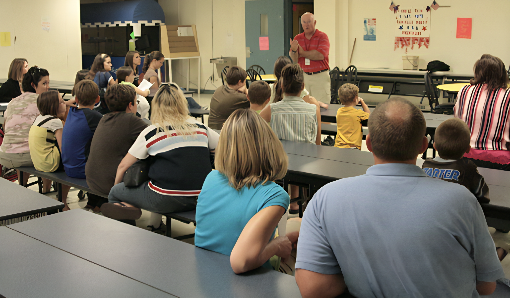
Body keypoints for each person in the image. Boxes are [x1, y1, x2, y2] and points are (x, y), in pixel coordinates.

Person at [295, 97, 505, 298]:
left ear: (368, 144)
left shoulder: (325, 198)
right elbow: (486, 286)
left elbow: (312, 288)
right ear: (424, 146)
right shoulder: (463, 201)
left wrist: (358, 273)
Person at [101, 83, 219, 232]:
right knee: (160, 177)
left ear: (156, 105)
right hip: (200, 198)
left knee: (116, 193)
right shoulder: (201, 127)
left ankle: (128, 227)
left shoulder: (152, 132)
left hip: (164, 199)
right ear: (182, 104)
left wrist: (117, 187)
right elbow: (222, 148)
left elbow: (123, 166)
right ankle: (155, 224)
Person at [195, 109, 297, 273]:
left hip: (204, 273)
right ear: (270, 144)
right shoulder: (275, 196)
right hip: (246, 283)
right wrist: (277, 246)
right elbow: (240, 262)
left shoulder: (211, 178)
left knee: (292, 228)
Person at [260, 63, 320, 214]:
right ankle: (301, 201)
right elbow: (318, 144)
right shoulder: (313, 109)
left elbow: (254, 128)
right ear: (303, 86)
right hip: (307, 164)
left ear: (281, 85)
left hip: (279, 164)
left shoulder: (272, 109)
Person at [86, 84, 148, 202]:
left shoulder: (104, 118)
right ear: (130, 105)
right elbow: (156, 135)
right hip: (110, 184)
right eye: (136, 103)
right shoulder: (131, 120)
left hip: (93, 180)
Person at [454, 54, 510, 171]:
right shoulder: (508, 95)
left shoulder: (464, 91)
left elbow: (457, 121)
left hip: (465, 155)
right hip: (500, 159)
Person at [0, 66, 51, 188]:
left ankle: (22, 186)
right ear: (33, 85)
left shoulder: (13, 101)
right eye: (44, 83)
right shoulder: (42, 101)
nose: (48, 87)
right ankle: (47, 190)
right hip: (28, 157)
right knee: (50, 146)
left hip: (5, 155)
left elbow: (5, 126)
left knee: (25, 143)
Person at [422, 118, 490, 204]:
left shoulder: (426, 165)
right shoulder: (468, 168)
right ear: (468, 149)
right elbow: (483, 195)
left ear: (434, 146)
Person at [61, 80, 103, 212]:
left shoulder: (71, 112)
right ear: (97, 99)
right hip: (81, 170)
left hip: (67, 167)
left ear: (76, 98)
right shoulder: (94, 116)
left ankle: (93, 202)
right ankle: (99, 204)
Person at [28, 90, 71, 210]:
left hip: (38, 162)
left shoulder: (39, 118)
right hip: (50, 163)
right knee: (71, 162)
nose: (65, 104)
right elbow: (64, 148)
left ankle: (47, 191)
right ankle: (63, 202)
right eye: (62, 102)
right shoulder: (55, 122)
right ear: (53, 106)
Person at [289, 12, 331, 105]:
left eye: (309, 22)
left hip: (320, 77)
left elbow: (320, 55)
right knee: (303, 104)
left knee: (322, 106)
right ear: (301, 24)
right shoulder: (297, 38)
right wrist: (295, 50)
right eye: (304, 22)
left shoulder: (322, 36)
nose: (306, 24)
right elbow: (294, 59)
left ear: (314, 22)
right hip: (304, 76)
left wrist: (302, 53)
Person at [334, 83, 370, 150]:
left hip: (338, 146)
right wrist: (362, 102)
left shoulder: (339, 111)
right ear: (355, 98)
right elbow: (369, 115)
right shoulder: (358, 113)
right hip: (352, 147)